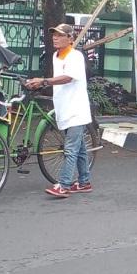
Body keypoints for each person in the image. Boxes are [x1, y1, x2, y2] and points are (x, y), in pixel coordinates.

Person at [26, 24, 93, 198]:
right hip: (64, 107)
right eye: (54, 35)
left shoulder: (75, 56)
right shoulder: (56, 56)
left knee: (70, 149)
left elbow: (68, 77)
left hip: (76, 109)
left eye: (60, 35)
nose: (55, 37)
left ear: (70, 39)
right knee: (80, 149)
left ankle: (64, 185)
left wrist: (44, 81)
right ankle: (84, 182)